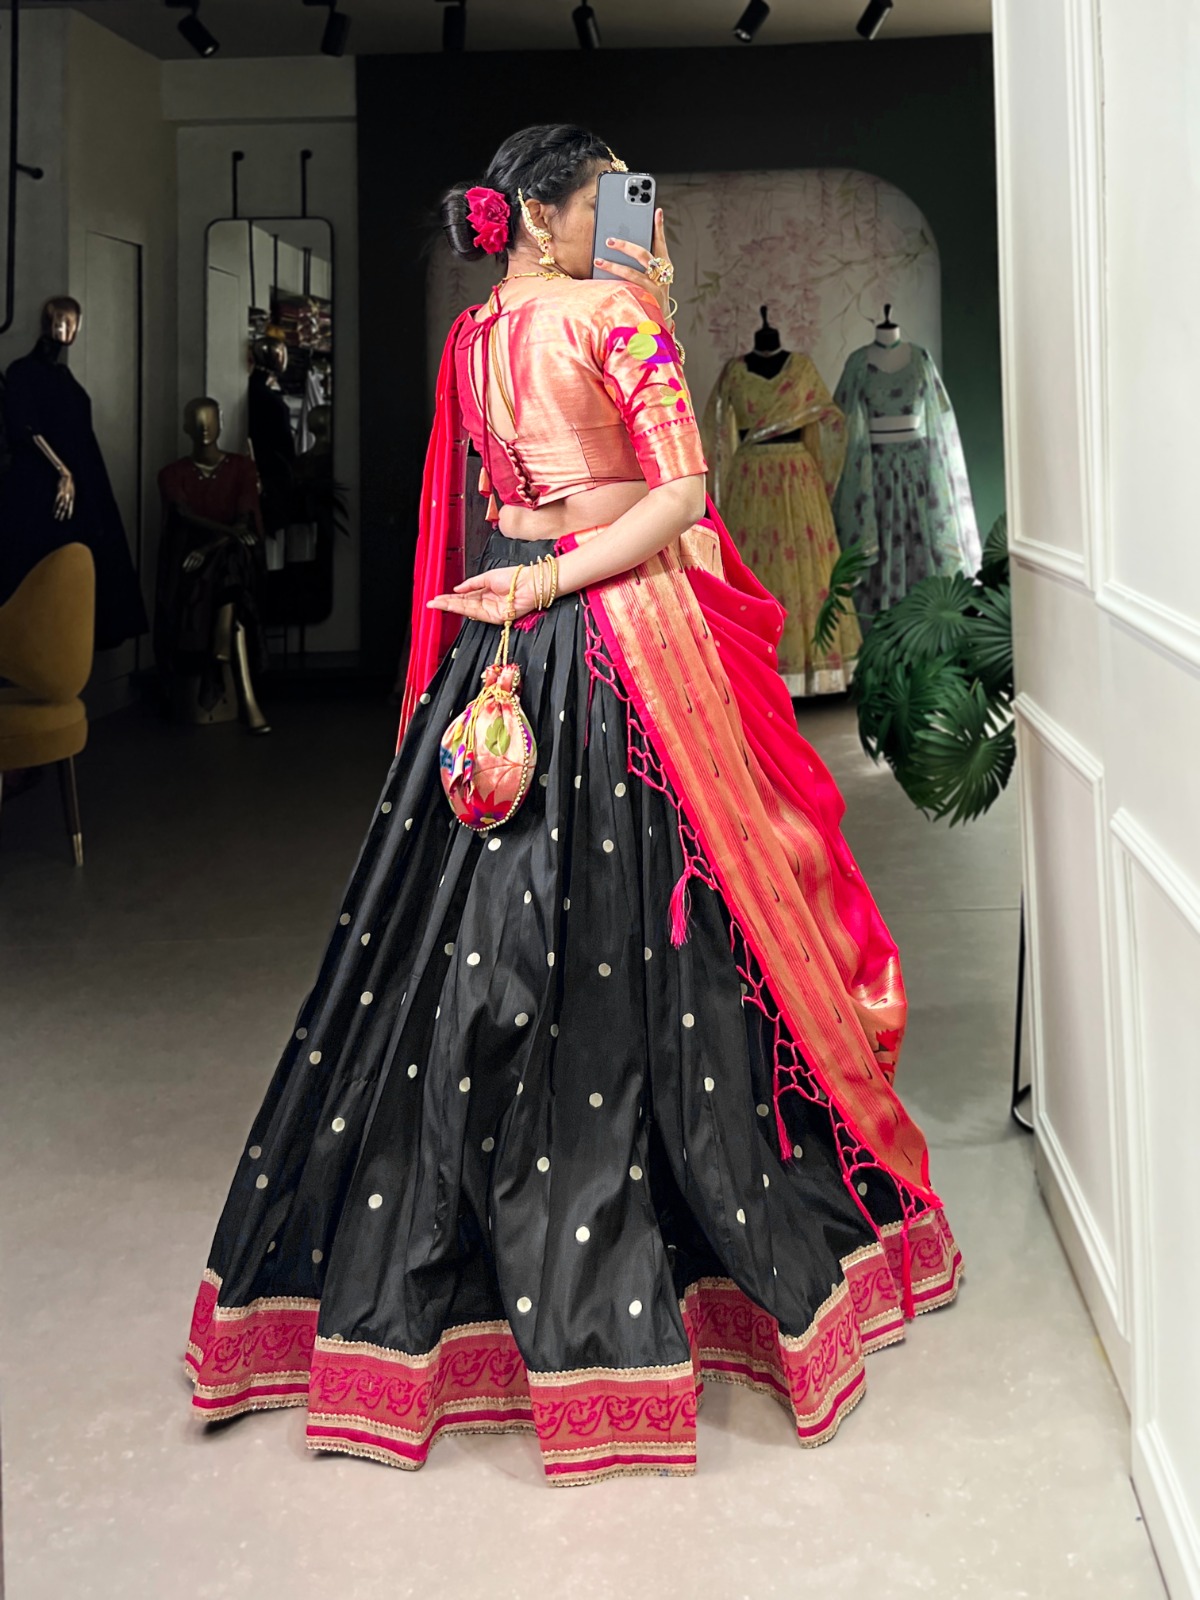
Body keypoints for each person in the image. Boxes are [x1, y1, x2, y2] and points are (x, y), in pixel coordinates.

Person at [185, 125, 961, 1486]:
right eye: (603, 200)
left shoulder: (474, 334)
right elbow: (681, 496)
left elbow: (496, 496)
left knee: (464, 945)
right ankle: (684, 1243)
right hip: (615, 636)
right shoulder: (616, 319)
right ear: (544, 214)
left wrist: (526, 577)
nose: (618, 219)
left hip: (502, 640)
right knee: (673, 928)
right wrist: (569, 546)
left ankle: (438, 1265)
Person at [0, 295, 147, 649]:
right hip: (41, 487)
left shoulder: (63, 376)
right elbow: (25, 427)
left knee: (81, 578)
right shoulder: (23, 372)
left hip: (82, 485)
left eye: (73, 322)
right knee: (39, 572)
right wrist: (63, 472)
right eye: (62, 321)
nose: (68, 329)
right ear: (49, 322)